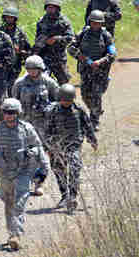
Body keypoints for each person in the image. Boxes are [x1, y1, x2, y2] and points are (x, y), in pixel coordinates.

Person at [0, 98, 50, 250]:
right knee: (8, 203)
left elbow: (38, 147)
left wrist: (44, 170)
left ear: (17, 113)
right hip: (5, 173)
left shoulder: (27, 129)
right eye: (6, 112)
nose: (9, 116)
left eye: (12, 113)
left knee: (19, 203)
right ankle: (11, 231)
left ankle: (15, 235)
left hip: (23, 172)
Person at [44, 84, 98, 214]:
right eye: (63, 100)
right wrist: (48, 147)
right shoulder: (53, 111)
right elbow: (48, 129)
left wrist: (92, 140)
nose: (66, 102)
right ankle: (64, 195)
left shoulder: (79, 109)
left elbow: (87, 125)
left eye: (68, 100)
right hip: (57, 146)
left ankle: (72, 196)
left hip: (74, 145)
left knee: (75, 168)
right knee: (59, 171)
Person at [11, 55, 59, 196]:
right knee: (24, 153)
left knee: (41, 154)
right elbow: (14, 103)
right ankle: (23, 182)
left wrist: (48, 108)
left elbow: (58, 102)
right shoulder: (19, 83)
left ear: (40, 69)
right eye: (29, 69)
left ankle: (38, 183)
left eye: (35, 69)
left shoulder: (49, 83)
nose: (32, 72)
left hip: (44, 124)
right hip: (25, 124)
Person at [68, 10, 117, 131]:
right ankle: (96, 110)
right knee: (85, 95)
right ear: (90, 22)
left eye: (98, 23)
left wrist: (100, 62)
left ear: (102, 24)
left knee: (96, 94)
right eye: (93, 23)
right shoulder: (83, 33)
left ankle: (94, 120)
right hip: (85, 69)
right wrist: (81, 56)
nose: (96, 25)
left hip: (100, 70)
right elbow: (71, 48)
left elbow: (112, 53)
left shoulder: (106, 35)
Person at [33, 0, 74, 85]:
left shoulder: (64, 21)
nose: (50, 10)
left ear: (57, 8)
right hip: (45, 56)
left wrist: (56, 39)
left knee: (64, 82)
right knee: (43, 81)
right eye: (48, 7)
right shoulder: (41, 21)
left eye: (52, 7)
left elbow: (70, 38)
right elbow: (37, 38)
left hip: (59, 57)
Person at [0, 6, 32, 97]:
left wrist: (20, 51)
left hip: (15, 67)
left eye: (11, 17)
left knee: (11, 88)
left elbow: (29, 51)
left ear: (15, 19)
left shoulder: (20, 33)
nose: (9, 19)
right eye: (7, 17)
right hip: (0, 66)